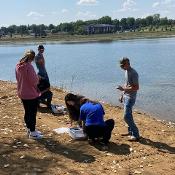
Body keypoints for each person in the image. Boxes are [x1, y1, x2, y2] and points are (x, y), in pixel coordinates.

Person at [15, 50, 43, 139]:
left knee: (27, 111)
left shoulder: (18, 65)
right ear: (33, 58)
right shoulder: (29, 67)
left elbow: (17, 78)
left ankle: (29, 129)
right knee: (32, 113)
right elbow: (34, 81)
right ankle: (33, 132)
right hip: (30, 94)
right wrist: (38, 78)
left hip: (22, 92)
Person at [116, 57, 140, 141]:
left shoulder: (133, 73)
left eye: (123, 65)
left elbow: (136, 87)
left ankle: (136, 135)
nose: (121, 67)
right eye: (120, 65)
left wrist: (123, 90)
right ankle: (130, 131)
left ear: (128, 64)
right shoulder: (126, 71)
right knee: (129, 115)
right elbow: (127, 84)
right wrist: (122, 94)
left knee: (126, 117)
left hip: (130, 98)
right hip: (126, 96)